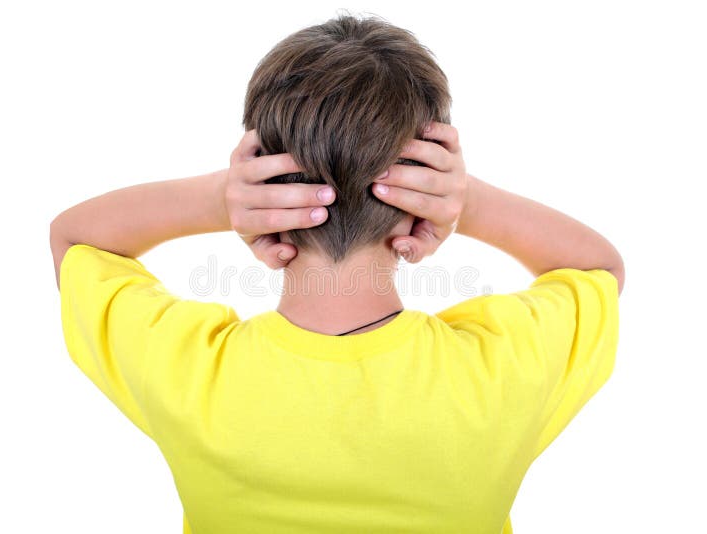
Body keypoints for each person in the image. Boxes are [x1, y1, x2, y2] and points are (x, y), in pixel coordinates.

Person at [50, 12, 624, 534]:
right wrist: (464, 202)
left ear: (262, 178)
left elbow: (76, 238)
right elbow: (599, 267)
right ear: (424, 185)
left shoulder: (188, 375)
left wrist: (220, 200)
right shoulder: (502, 373)